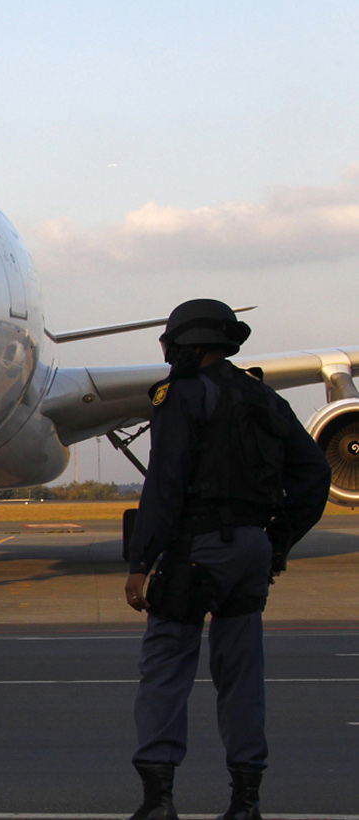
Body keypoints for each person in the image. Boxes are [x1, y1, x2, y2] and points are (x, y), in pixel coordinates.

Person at [124, 299, 331, 820]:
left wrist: (140, 562)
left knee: (166, 668)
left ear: (185, 344)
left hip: (197, 550)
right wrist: (278, 539)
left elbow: (165, 485)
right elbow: (314, 475)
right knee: (241, 676)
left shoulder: (185, 395)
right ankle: (245, 802)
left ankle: (159, 801)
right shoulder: (264, 397)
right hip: (251, 550)